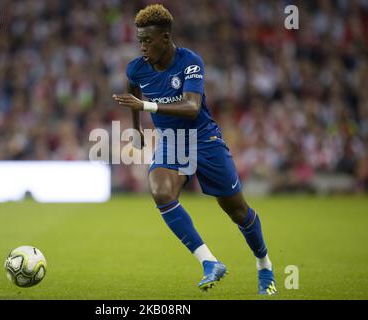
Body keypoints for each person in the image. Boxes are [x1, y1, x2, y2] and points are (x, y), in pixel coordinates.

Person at [112, 4, 276, 295]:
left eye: (147, 41)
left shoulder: (190, 62)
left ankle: (264, 265)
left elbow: (191, 107)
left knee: (237, 212)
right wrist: (136, 127)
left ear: (165, 37)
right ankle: (210, 262)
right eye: (139, 41)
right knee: (161, 191)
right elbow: (133, 92)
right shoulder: (137, 67)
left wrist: (146, 107)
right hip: (172, 143)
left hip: (204, 139)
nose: (142, 47)